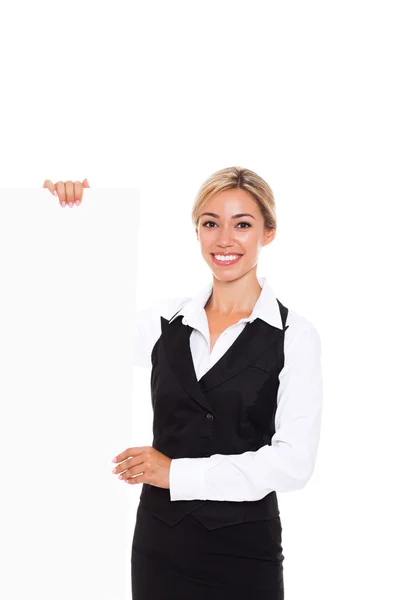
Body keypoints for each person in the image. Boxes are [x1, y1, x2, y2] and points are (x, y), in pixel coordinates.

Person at [43, 167, 323, 599]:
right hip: (161, 547)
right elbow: (72, 335)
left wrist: (175, 473)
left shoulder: (294, 336)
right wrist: (72, 222)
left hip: (245, 552)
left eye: (242, 224)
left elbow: (293, 463)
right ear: (197, 232)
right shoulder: (164, 322)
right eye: (210, 223)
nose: (224, 239)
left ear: (268, 233)